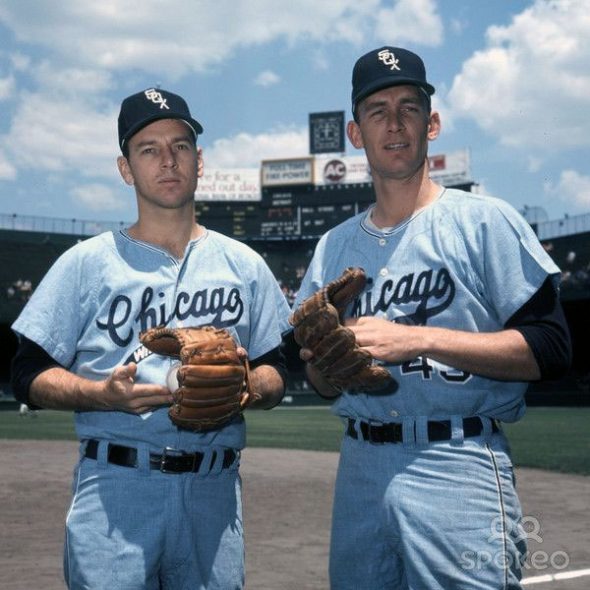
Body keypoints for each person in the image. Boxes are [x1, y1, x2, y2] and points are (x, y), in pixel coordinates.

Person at [292, 47, 572, 589]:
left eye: (409, 107)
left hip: (458, 463)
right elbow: (321, 384)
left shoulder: (484, 221)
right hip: (359, 466)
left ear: (432, 123)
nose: (394, 124)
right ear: (356, 133)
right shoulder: (333, 246)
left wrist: (415, 339)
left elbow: (553, 348)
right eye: (377, 111)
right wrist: (326, 363)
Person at [10, 87, 291, 589]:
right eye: (149, 149)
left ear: (199, 161)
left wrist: (251, 385)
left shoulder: (245, 265)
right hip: (117, 488)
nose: (168, 160)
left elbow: (278, 367)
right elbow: (26, 373)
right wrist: (100, 395)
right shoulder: (86, 262)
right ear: (126, 169)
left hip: (214, 490)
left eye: (180, 146)